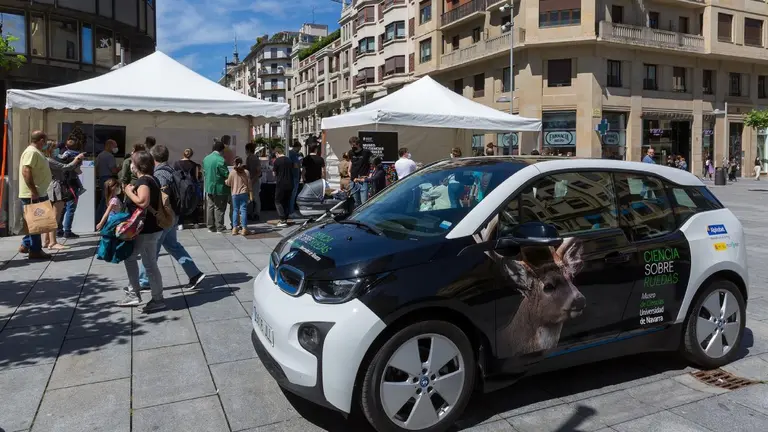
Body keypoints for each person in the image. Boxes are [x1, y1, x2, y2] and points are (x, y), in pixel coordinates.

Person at [136, 145, 206, 292]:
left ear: (153, 158)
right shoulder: (170, 169)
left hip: (166, 217)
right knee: (173, 246)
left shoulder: (160, 173)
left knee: (151, 248)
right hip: (173, 215)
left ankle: (144, 281)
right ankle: (195, 274)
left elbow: (162, 198)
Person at [119, 151, 165, 311]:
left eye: (132, 162)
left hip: (146, 229)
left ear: (138, 165)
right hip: (151, 228)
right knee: (146, 263)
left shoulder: (144, 181)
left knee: (140, 261)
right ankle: (149, 296)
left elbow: (143, 202)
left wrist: (128, 192)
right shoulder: (151, 179)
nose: (130, 165)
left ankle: (145, 297)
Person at [18, 132, 54, 259]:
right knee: (37, 223)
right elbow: (26, 171)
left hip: (38, 192)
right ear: (41, 140)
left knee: (34, 221)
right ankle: (35, 250)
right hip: (34, 194)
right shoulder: (31, 152)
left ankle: (26, 244)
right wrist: (33, 191)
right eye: (45, 141)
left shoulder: (35, 152)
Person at [45, 142, 86, 249]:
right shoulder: (49, 160)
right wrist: (77, 159)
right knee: (55, 216)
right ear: (50, 149)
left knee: (52, 215)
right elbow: (66, 167)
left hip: (52, 186)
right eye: (55, 148)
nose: (57, 150)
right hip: (56, 187)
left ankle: (46, 240)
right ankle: (52, 242)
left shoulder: (48, 159)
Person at [203, 140, 231, 233]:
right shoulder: (220, 160)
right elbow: (226, 174)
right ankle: (220, 227)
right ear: (222, 150)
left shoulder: (206, 158)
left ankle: (211, 227)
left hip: (209, 186)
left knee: (210, 206)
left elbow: (204, 172)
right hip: (220, 187)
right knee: (219, 207)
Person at [172, 148, 201, 229]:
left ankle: (180, 223)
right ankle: (195, 222)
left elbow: (174, 175)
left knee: (181, 204)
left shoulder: (176, 163)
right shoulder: (194, 165)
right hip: (191, 187)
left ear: (183, 153)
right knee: (193, 203)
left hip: (180, 187)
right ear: (191, 155)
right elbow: (196, 178)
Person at [226, 156, 252, 235]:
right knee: (243, 210)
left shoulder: (232, 172)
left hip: (235, 194)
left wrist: (225, 181)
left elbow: (228, 183)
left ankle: (234, 228)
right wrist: (251, 194)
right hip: (244, 193)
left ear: (234, 163)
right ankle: (244, 229)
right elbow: (249, 184)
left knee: (235, 210)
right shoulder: (246, 172)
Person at [95, 139, 120, 218]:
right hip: (109, 179)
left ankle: (98, 218)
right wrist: (120, 167)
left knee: (103, 200)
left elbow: (96, 169)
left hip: (101, 179)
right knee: (107, 201)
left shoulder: (100, 155)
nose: (116, 148)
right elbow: (114, 171)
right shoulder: (110, 156)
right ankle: (102, 219)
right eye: (115, 146)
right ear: (109, 146)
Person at [349, 136, 372, 207]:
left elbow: (373, 162)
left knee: (364, 202)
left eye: (353, 145)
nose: (352, 147)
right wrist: (349, 171)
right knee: (356, 202)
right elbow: (351, 161)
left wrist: (370, 174)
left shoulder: (366, 152)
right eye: (351, 145)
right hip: (353, 180)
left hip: (362, 180)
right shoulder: (350, 152)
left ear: (358, 144)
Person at [272, 147, 293, 227]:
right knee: (286, 201)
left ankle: (282, 219)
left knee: (278, 201)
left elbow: (274, 173)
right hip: (290, 183)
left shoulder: (277, 161)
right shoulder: (289, 160)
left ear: (277, 153)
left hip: (281, 184)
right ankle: (286, 219)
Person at [245, 143, 263, 222]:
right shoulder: (252, 158)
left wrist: (252, 180)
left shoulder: (253, 158)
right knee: (253, 197)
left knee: (254, 197)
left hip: (253, 181)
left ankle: (255, 214)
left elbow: (258, 172)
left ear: (248, 150)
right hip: (252, 180)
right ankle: (253, 213)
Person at [288, 140, 303, 217]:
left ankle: (290, 210)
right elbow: (295, 165)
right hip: (294, 177)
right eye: (299, 148)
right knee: (293, 195)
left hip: (292, 176)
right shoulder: (293, 154)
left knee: (291, 195)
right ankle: (291, 211)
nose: (299, 150)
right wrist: (300, 164)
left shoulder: (290, 153)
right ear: (297, 147)